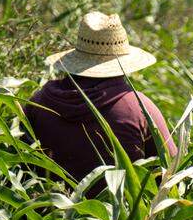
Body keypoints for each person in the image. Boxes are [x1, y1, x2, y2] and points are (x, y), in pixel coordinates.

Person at [26, 11, 176, 186]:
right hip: (124, 213)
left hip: (47, 210)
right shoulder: (140, 109)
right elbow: (171, 174)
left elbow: (18, 165)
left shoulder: (38, 102)